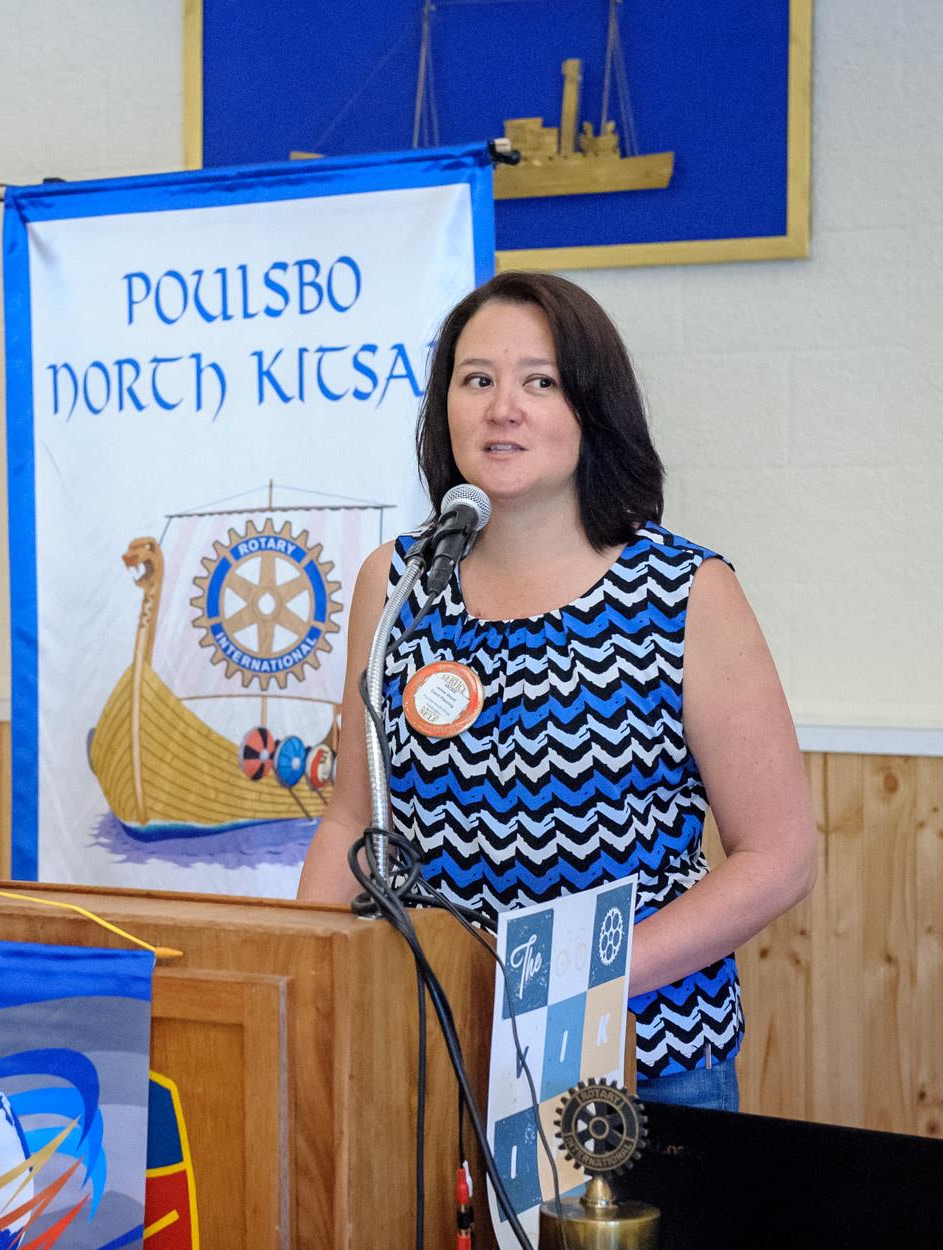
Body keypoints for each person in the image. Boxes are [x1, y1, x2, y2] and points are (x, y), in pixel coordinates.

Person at [295, 271, 817, 1111]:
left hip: (644, 1058)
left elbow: (777, 859)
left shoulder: (682, 591)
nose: (502, 408)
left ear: (591, 408)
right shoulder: (394, 583)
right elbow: (353, 820)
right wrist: (307, 981)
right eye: (476, 380)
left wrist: (569, 987)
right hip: (432, 1044)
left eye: (538, 382)